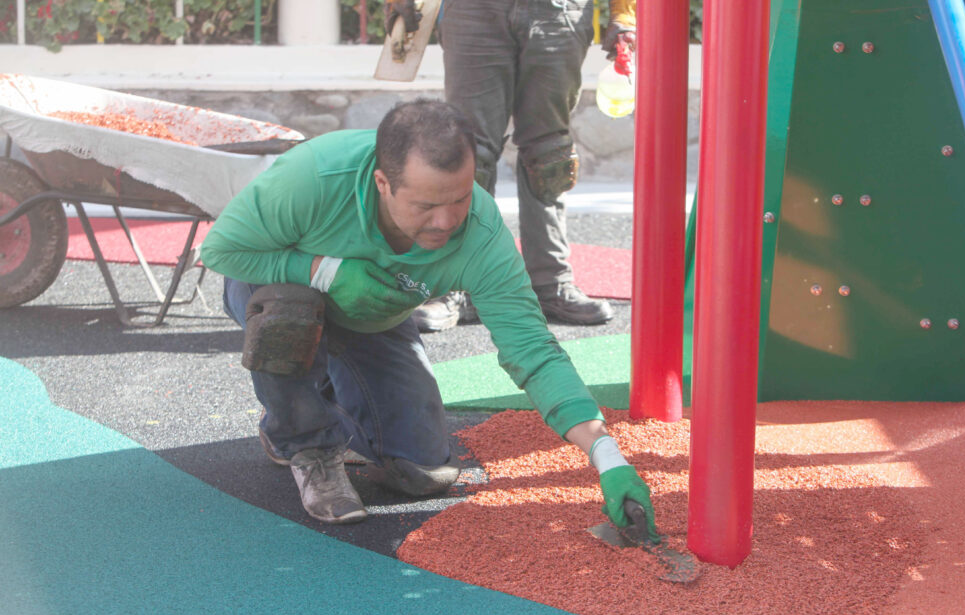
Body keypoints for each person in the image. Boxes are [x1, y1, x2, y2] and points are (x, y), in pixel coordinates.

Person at [200, 100, 658, 539]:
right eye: (424, 206)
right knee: (287, 313)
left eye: (459, 198)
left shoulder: (481, 233)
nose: (445, 221)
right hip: (283, 292)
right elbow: (221, 250)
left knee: (424, 468)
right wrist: (326, 272)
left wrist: (607, 456)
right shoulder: (315, 176)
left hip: (372, 317)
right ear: (382, 183)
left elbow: (533, 350)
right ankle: (305, 441)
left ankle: (316, 394)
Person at [407, 0, 636, 332]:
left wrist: (625, 13)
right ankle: (457, 283)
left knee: (550, 155)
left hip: (558, 11)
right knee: (468, 154)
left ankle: (551, 283)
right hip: (475, 10)